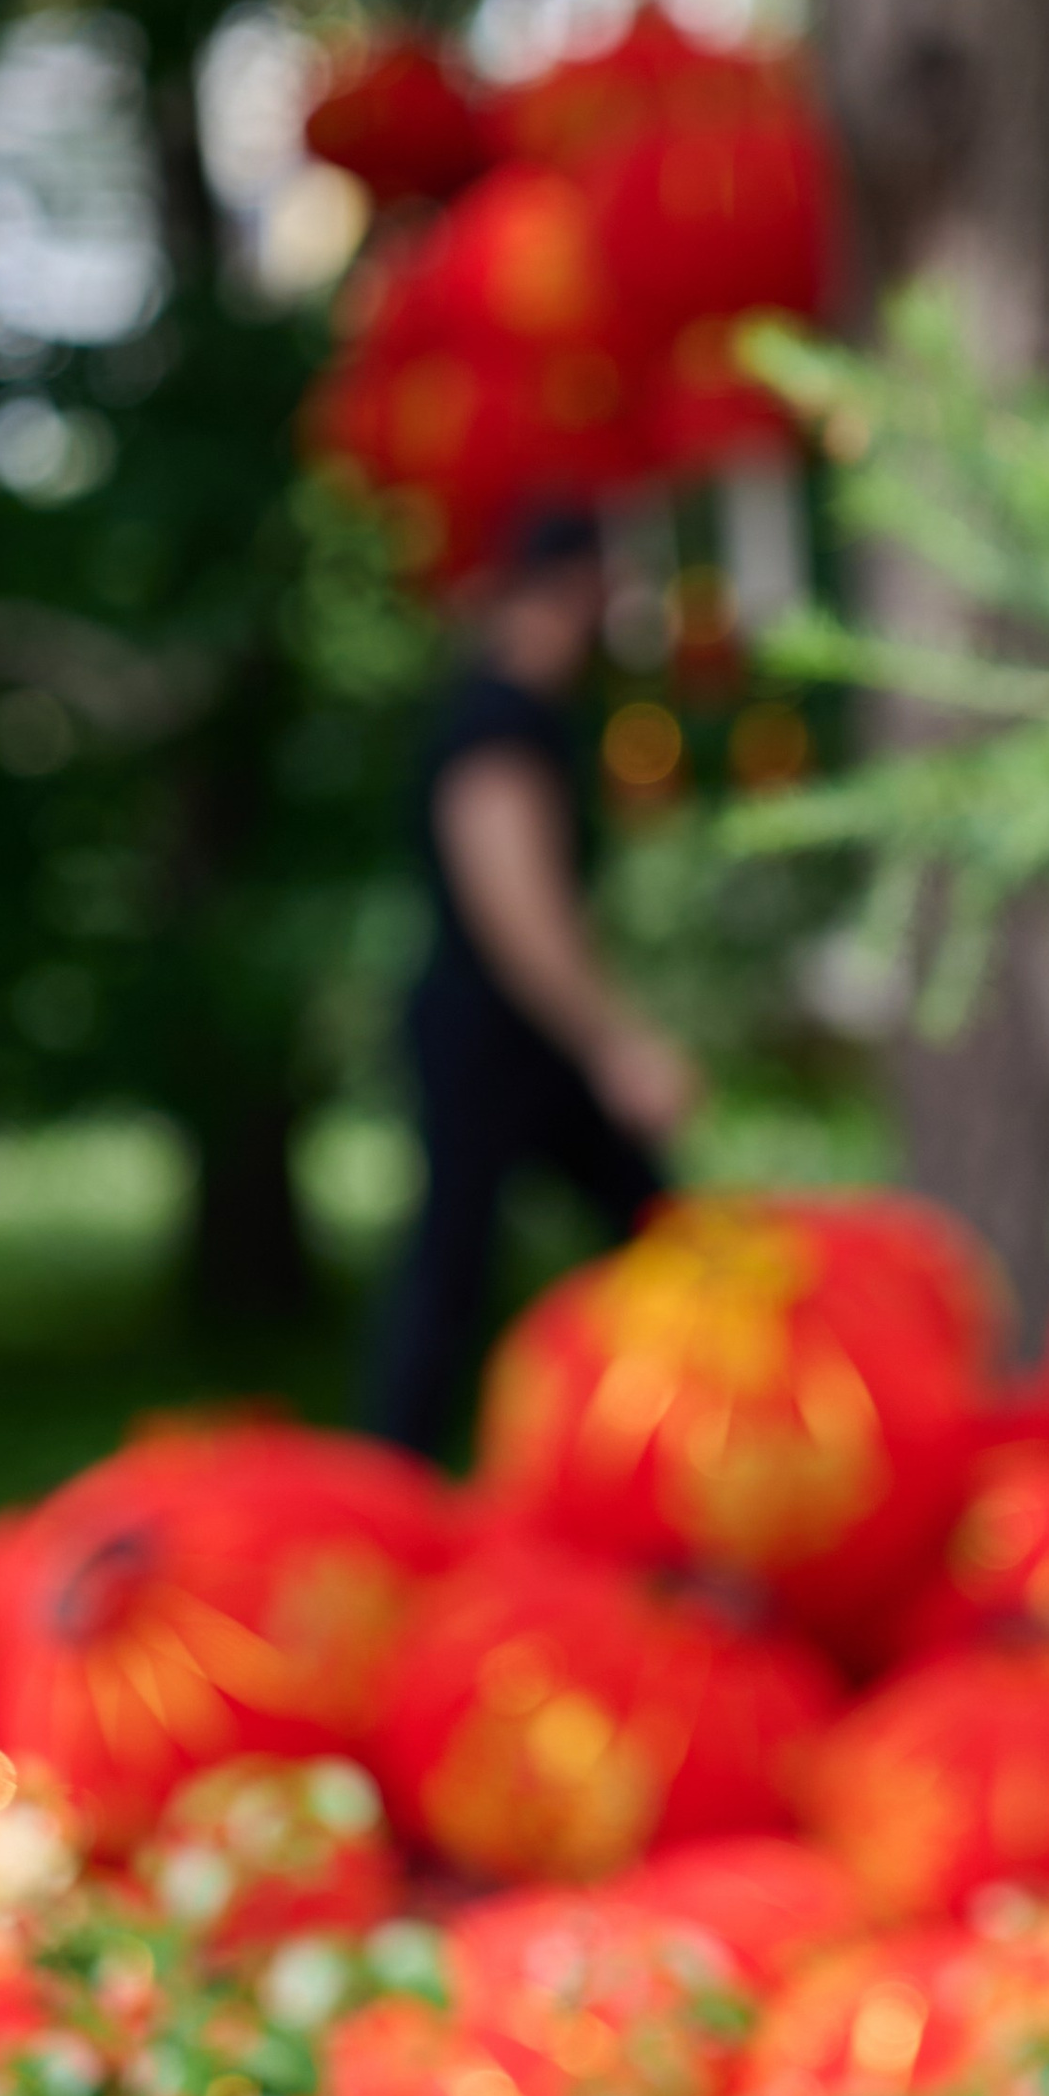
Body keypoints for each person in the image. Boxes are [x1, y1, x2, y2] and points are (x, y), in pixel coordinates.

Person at [369, 503, 698, 1459]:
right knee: (454, 1265)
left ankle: (682, 1443)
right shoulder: (500, 722)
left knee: (653, 1232)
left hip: (521, 1036)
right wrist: (615, 1040)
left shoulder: (525, 711)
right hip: (494, 1035)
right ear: (576, 585)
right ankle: (388, 1476)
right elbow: (516, 903)